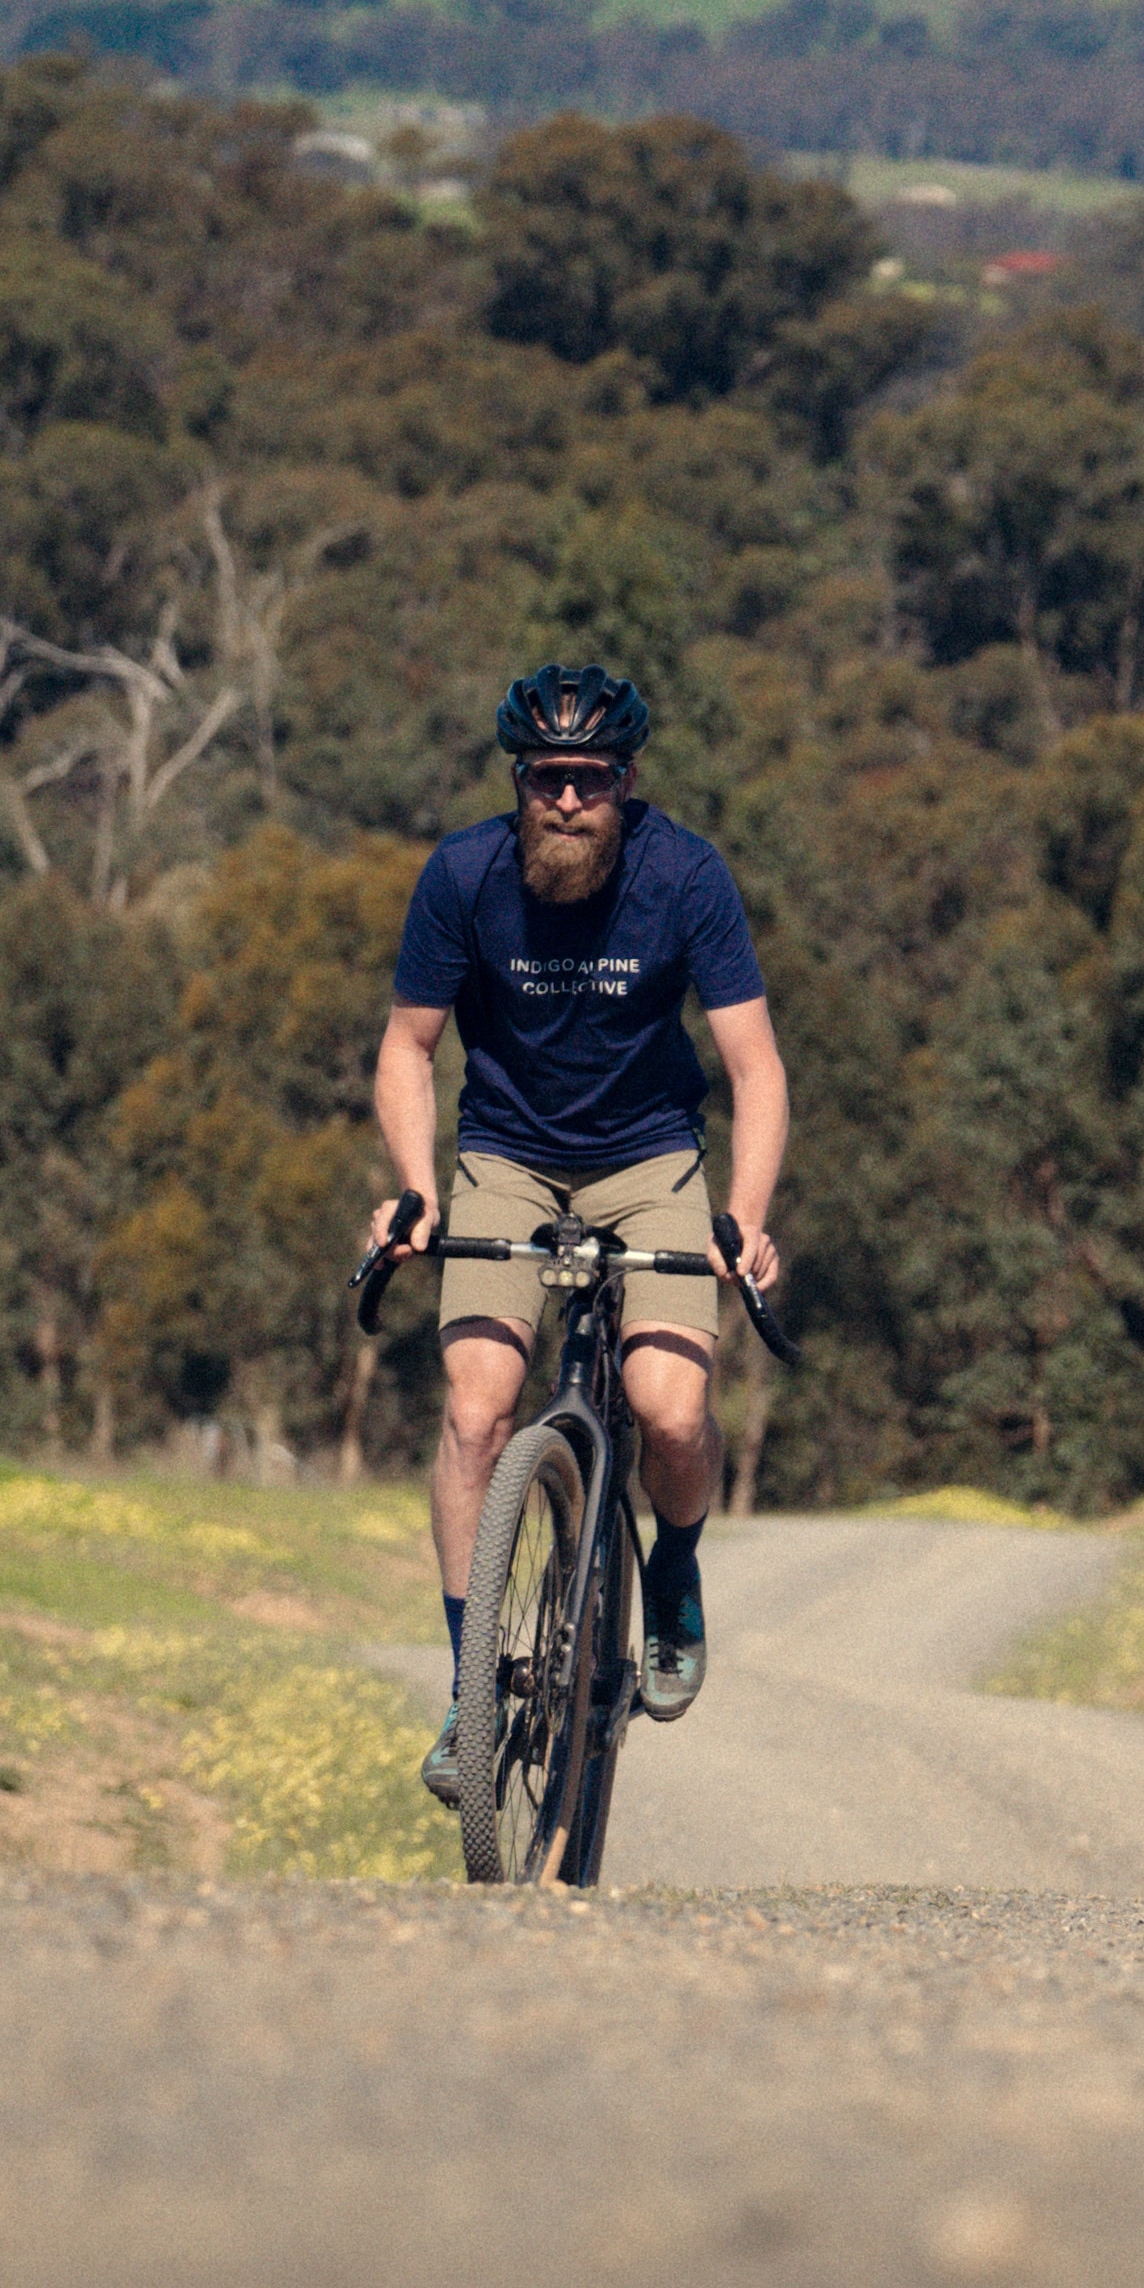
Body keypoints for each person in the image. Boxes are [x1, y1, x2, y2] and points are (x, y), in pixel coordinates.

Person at [370, 663, 788, 1797]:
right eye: (546, 778)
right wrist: (415, 1190)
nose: (566, 800)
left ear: (624, 782)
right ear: (519, 781)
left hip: (648, 1161)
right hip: (504, 1156)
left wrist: (741, 1218)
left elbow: (752, 1067)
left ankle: (678, 1568)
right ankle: (470, 1694)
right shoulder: (462, 875)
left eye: (588, 780)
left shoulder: (684, 875)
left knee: (670, 1407)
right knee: (473, 1414)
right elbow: (408, 1049)